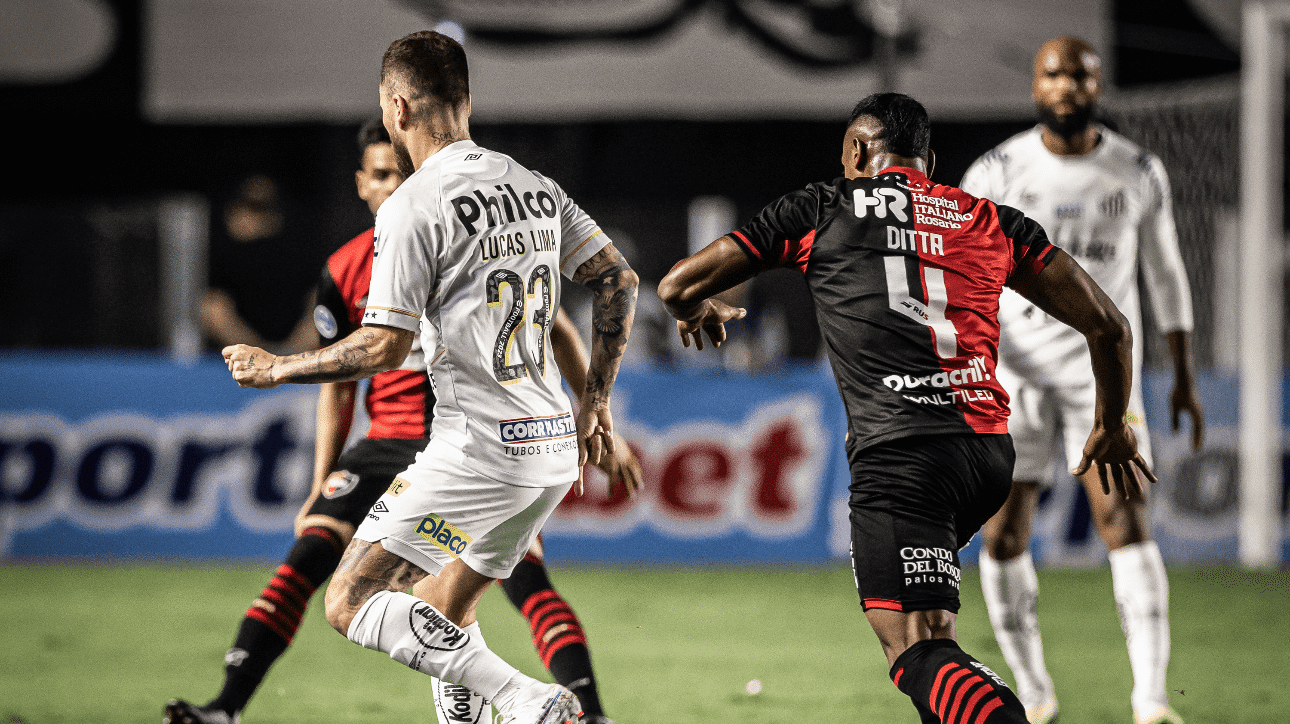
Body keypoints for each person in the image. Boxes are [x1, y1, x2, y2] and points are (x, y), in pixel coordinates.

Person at [658, 92, 1153, 724]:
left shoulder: (820, 207)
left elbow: (677, 285)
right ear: (930, 160)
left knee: (917, 650)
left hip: (902, 455)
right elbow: (1109, 326)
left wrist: (693, 309)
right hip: (985, 456)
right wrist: (1111, 425)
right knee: (932, 641)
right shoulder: (988, 219)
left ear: (857, 150)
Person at [222, 31, 638, 724]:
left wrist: (277, 367)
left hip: (475, 451)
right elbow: (618, 280)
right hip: (551, 449)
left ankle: (528, 699)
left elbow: (384, 347)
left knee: (349, 600)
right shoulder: (534, 186)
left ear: (396, 109)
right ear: (467, 101)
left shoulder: (412, 207)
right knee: (449, 613)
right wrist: (596, 405)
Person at [959, 36, 1201, 724]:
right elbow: (962, 278)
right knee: (1004, 535)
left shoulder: (1137, 170)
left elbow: (1166, 275)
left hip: (1103, 381)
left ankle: (1151, 700)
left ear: (1097, 88)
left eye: (1081, 76)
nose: (1067, 86)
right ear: (1036, 85)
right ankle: (1035, 696)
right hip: (1013, 379)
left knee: (1123, 520)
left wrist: (1182, 375)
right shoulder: (997, 171)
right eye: (1055, 74)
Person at [203, 174, 320, 354]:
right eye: (251, 207)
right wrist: (256, 351)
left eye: (264, 209)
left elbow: (315, 299)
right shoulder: (222, 254)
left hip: (293, 353)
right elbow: (213, 307)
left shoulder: (296, 251)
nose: (256, 218)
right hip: (239, 354)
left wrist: (290, 352)